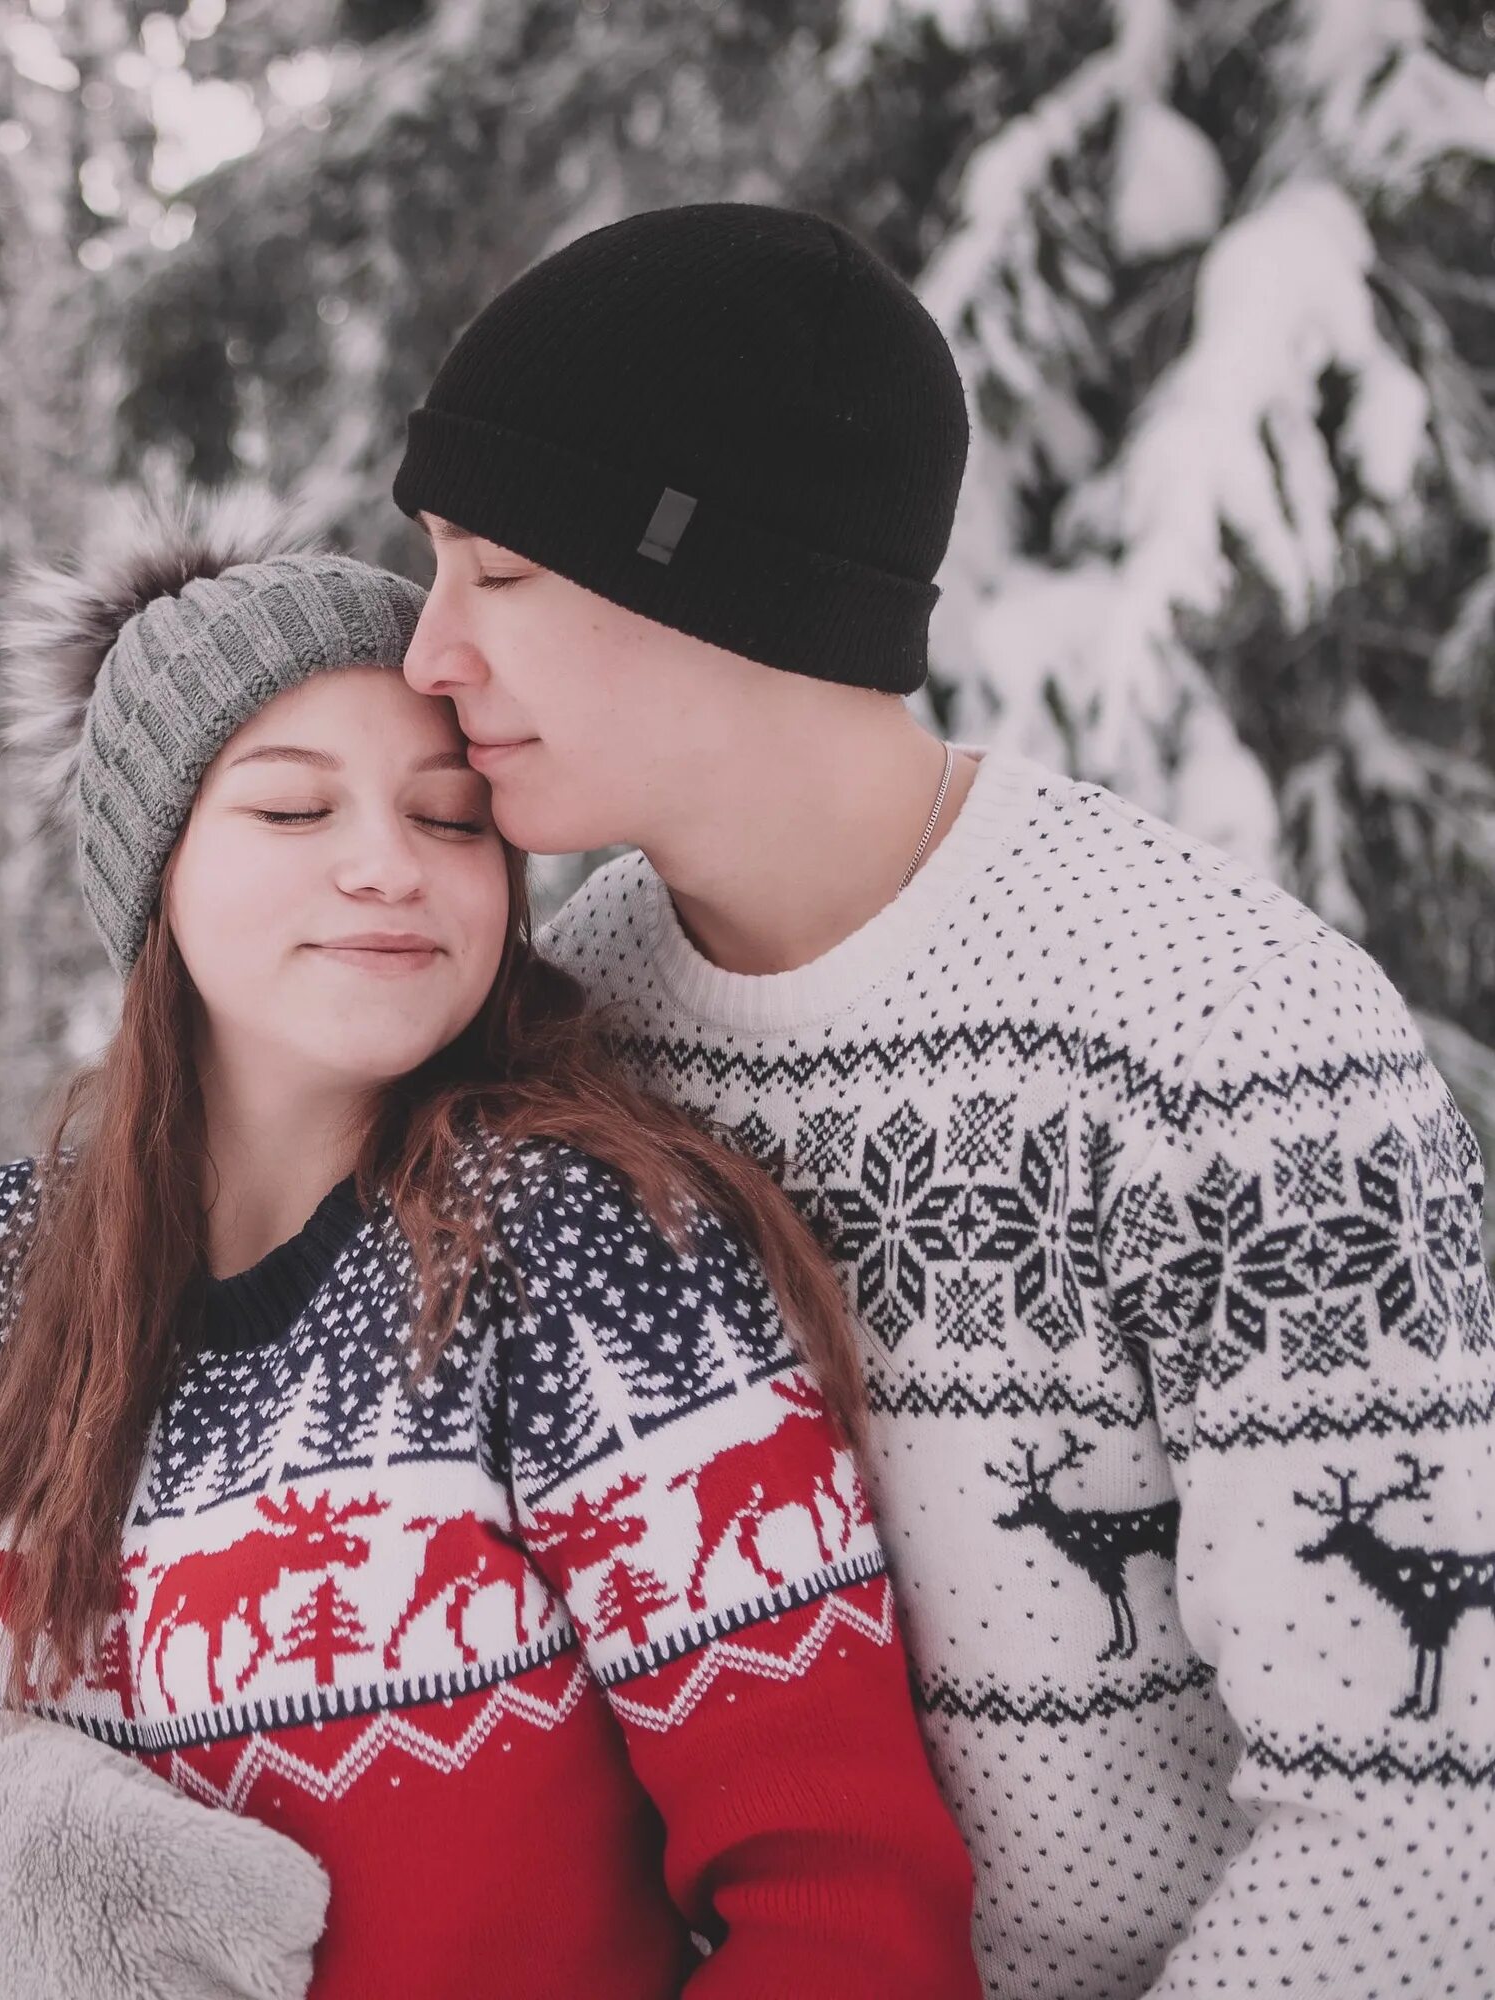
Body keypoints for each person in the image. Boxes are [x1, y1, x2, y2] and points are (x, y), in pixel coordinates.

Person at [390, 201, 1495, 1999]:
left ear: (712, 573)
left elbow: (1427, 1824)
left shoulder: (1226, 1045)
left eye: (498, 574)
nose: (432, 653)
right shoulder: (561, 1031)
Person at [0, 505, 980, 2000]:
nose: (386, 866)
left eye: (448, 817)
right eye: (294, 810)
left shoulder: (579, 1257)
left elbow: (841, 1910)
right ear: (154, 872)